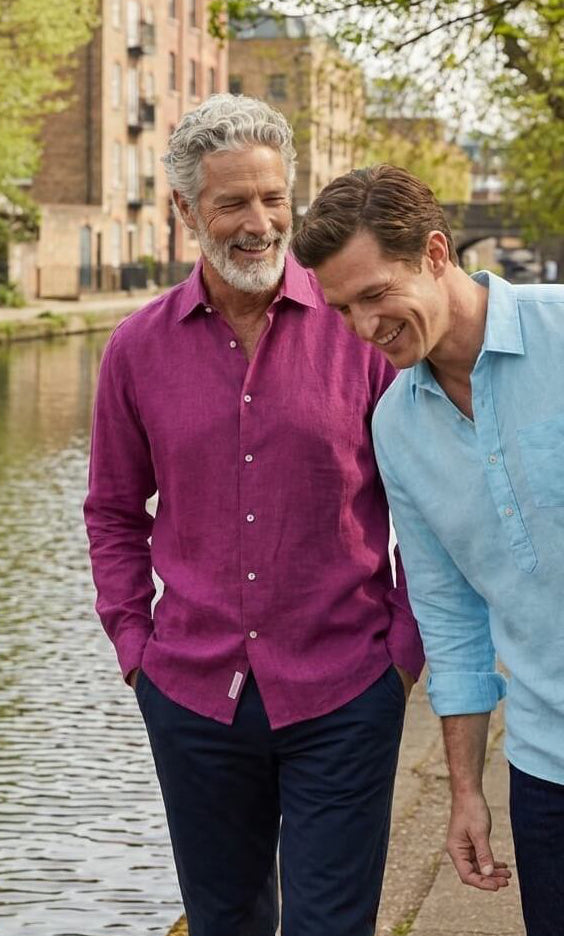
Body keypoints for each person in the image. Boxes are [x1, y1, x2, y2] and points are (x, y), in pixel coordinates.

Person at [84, 99, 424, 936]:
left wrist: (402, 657)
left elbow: (424, 509)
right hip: (193, 695)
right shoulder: (135, 350)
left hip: (347, 691)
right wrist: (136, 649)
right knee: (224, 921)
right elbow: (113, 513)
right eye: (233, 202)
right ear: (186, 211)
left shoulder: (362, 334)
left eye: (274, 198)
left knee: (331, 927)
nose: (260, 223)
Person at [292, 163, 564, 936]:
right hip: (546, 769)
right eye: (342, 308)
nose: (363, 327)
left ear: (437, 253)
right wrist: (467, 790)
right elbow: (449, 619)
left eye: (376, 294)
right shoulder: (396, 429)